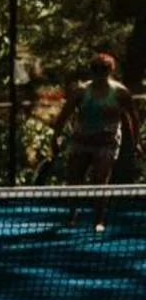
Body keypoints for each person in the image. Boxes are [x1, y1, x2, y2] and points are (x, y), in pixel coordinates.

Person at [51, 52, 137, 231]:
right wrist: (55, 139)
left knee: (101, 180)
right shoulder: (81, 92)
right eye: (95, 68)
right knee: (74, 178)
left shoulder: (120, 93)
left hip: (107, 142)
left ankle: (98, 220)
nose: (99, 72)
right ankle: (72, 215)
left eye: (103, 69)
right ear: (91, 70)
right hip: (82, 141)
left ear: (110, 70)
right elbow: (63, 117)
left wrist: (135, 142)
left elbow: (132, 118)